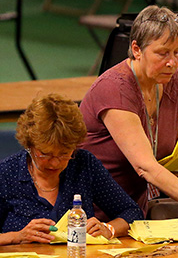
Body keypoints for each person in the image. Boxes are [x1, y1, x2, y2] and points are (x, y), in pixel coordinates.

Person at [79, 6, 178, 224]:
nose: (172, 62)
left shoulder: (172, 78)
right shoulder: (115, 88)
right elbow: (145, 166)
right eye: (162, 53)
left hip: (136, 213)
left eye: (177, 52)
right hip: (94, 216)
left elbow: (172, 149)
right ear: (137, 49)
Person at [0, 94, 142, 245]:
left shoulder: (84, 164)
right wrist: (17, 236)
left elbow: (132, 212)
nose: (54, 163)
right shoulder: (7, 173)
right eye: (45, 154)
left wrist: (108, 228)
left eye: (64, 154)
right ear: (29, 145)